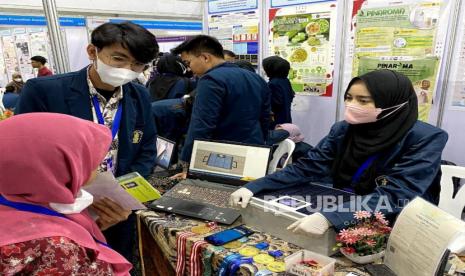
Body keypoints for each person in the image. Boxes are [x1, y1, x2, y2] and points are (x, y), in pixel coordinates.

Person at [230, 69, 448, 235]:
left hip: (398, 218)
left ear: (395, 104)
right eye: (349, 97)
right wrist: (254, 186)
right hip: (345, 202)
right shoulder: (344, 129)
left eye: (363, 101)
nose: (352, 105)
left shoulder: (425, 138)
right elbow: (309, 166)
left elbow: (398, 194)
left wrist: (331, 217)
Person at [16, 21, 159, 262]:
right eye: (119, 59)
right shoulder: (45, 91)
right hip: (61, 211)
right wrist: (73, 203)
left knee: (117, 263)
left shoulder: (138, 94)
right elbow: (25, 156)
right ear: (93, 52)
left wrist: (124, 201)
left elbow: (145, 149)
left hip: (116, 210)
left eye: (137, 64)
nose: (128, 69)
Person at [0, 113, 131, 275]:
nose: (98, 166)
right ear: (60, 167)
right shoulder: (61, 249)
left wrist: (90, 227)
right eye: (89, 159)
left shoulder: (16, 197)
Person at [171, 35, 270, 174]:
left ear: (205, 57)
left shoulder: (211, 80)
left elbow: (201, 125)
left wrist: (186, 162)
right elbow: (265, 118)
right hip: (254, 150)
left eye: (188, 63)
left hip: (221, 157)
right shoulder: (255, 78)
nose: (188, 69)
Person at [263, 56, 295, 127]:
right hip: (286, 117)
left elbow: (275, 104)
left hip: (277, 121)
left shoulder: (273, 83)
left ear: (271, 69)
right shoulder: (285, 80)